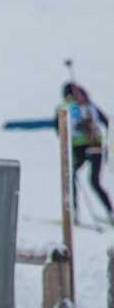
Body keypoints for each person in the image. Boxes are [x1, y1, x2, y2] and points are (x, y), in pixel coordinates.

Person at [56, 82, 112, 224]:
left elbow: (106, 123)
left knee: (93, 181)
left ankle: (110, 212)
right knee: (72, 177)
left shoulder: (90, 107)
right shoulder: (68, 107)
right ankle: (74, 214)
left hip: (94, 147)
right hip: (80, 148)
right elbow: (58, 125)